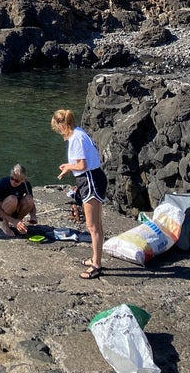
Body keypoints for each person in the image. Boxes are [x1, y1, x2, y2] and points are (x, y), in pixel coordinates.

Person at [51, 108, 107, 279]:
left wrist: (69, 166)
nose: (57, 130)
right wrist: (69, 167)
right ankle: (95, 258)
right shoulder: (80, 132)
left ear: (62, 124)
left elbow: (82, 165)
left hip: (90, 180)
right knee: (96, 224)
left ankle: (97, 265)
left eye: (57, 126)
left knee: (92, 226)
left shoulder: (75, 138)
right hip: (94, 177)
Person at [0, 163, 38, 237]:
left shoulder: (26, 184)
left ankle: (18, 223)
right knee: (12, 199)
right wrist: (13, 221)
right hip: (2, 211)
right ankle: (5, 224)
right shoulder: (2, 183)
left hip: (16, 209)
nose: (13, 182)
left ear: (23, 180)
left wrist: (33, 215)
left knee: (29, 198)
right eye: (11, 178)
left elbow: (31, 203)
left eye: (16, 180)